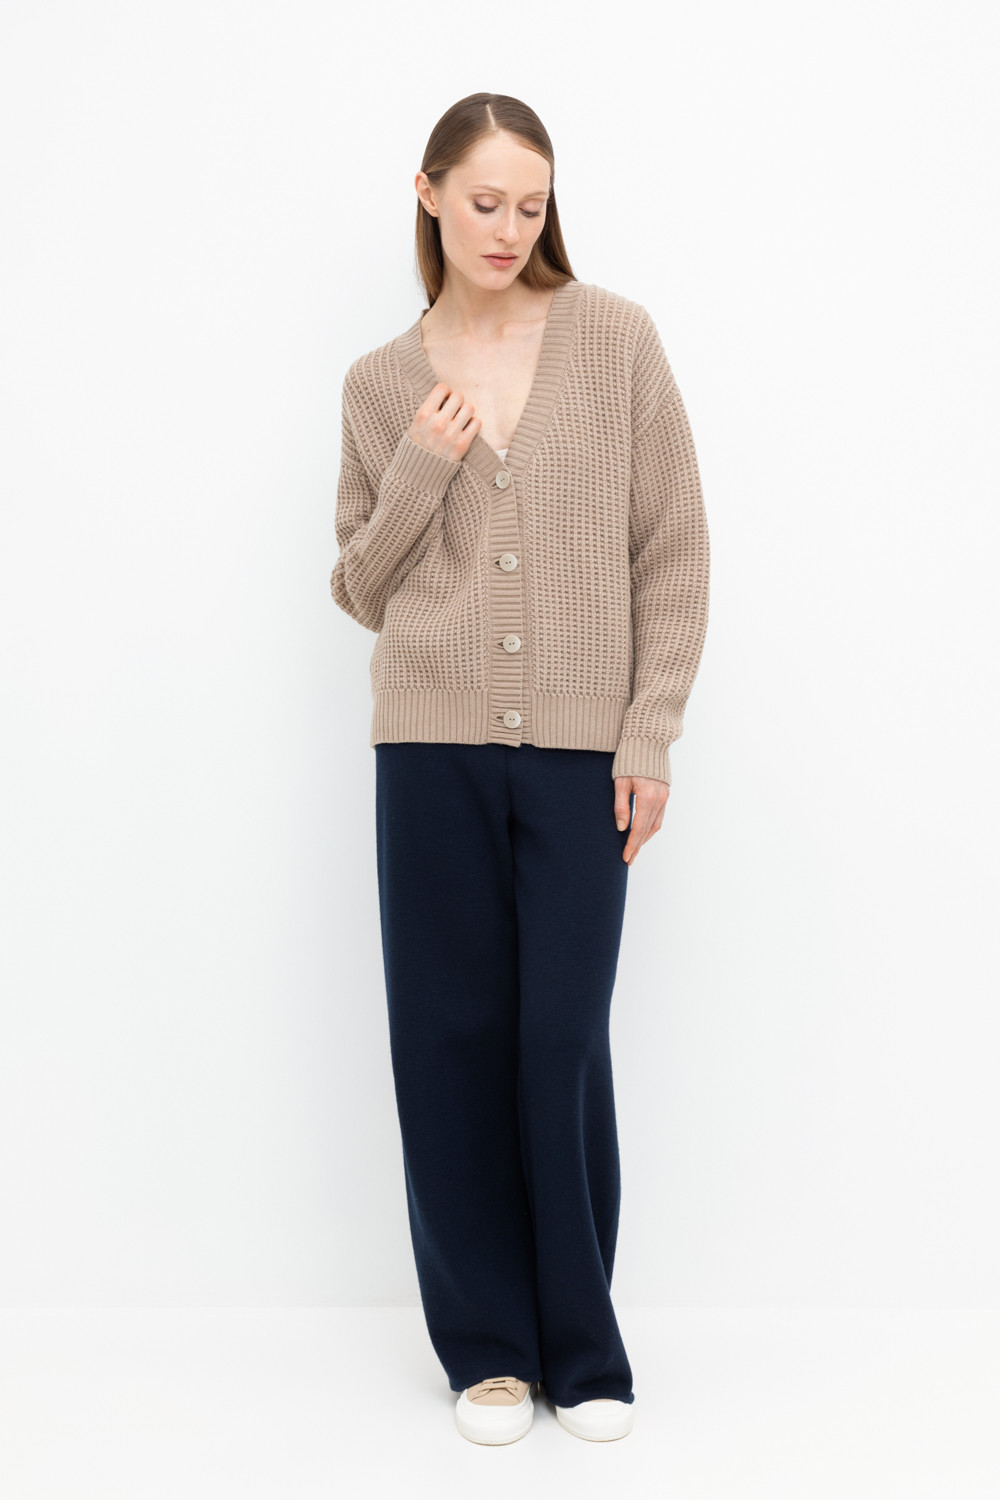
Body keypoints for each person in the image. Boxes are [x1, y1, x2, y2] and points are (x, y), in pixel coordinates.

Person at [329, 92, 711, 1446]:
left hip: (579, 754)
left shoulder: (614, 341)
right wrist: (422, 469)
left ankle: (581, 1344)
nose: (507, 228)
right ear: (429, 193)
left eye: (531, 204)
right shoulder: (382, 383)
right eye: (484, 201)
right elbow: (358, 586)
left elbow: (673, 547)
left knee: (560, 1035)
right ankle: (487, 1351)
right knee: (448, 1039)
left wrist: (649, 733)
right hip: (428, 751)